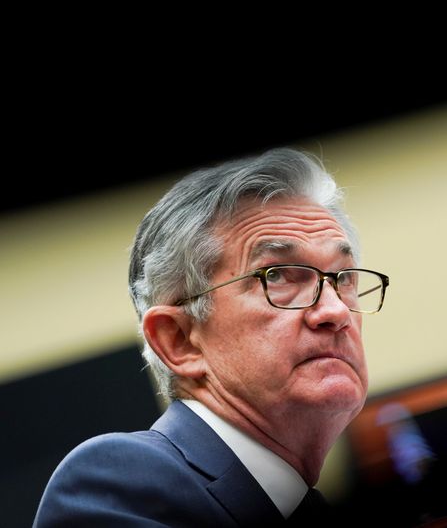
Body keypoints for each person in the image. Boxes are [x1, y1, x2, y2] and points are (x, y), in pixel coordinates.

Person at [33, 148, 389, 527]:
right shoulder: (121, 484)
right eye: (277, 275)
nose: (335, 312)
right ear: (180, 341)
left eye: (344, 277)